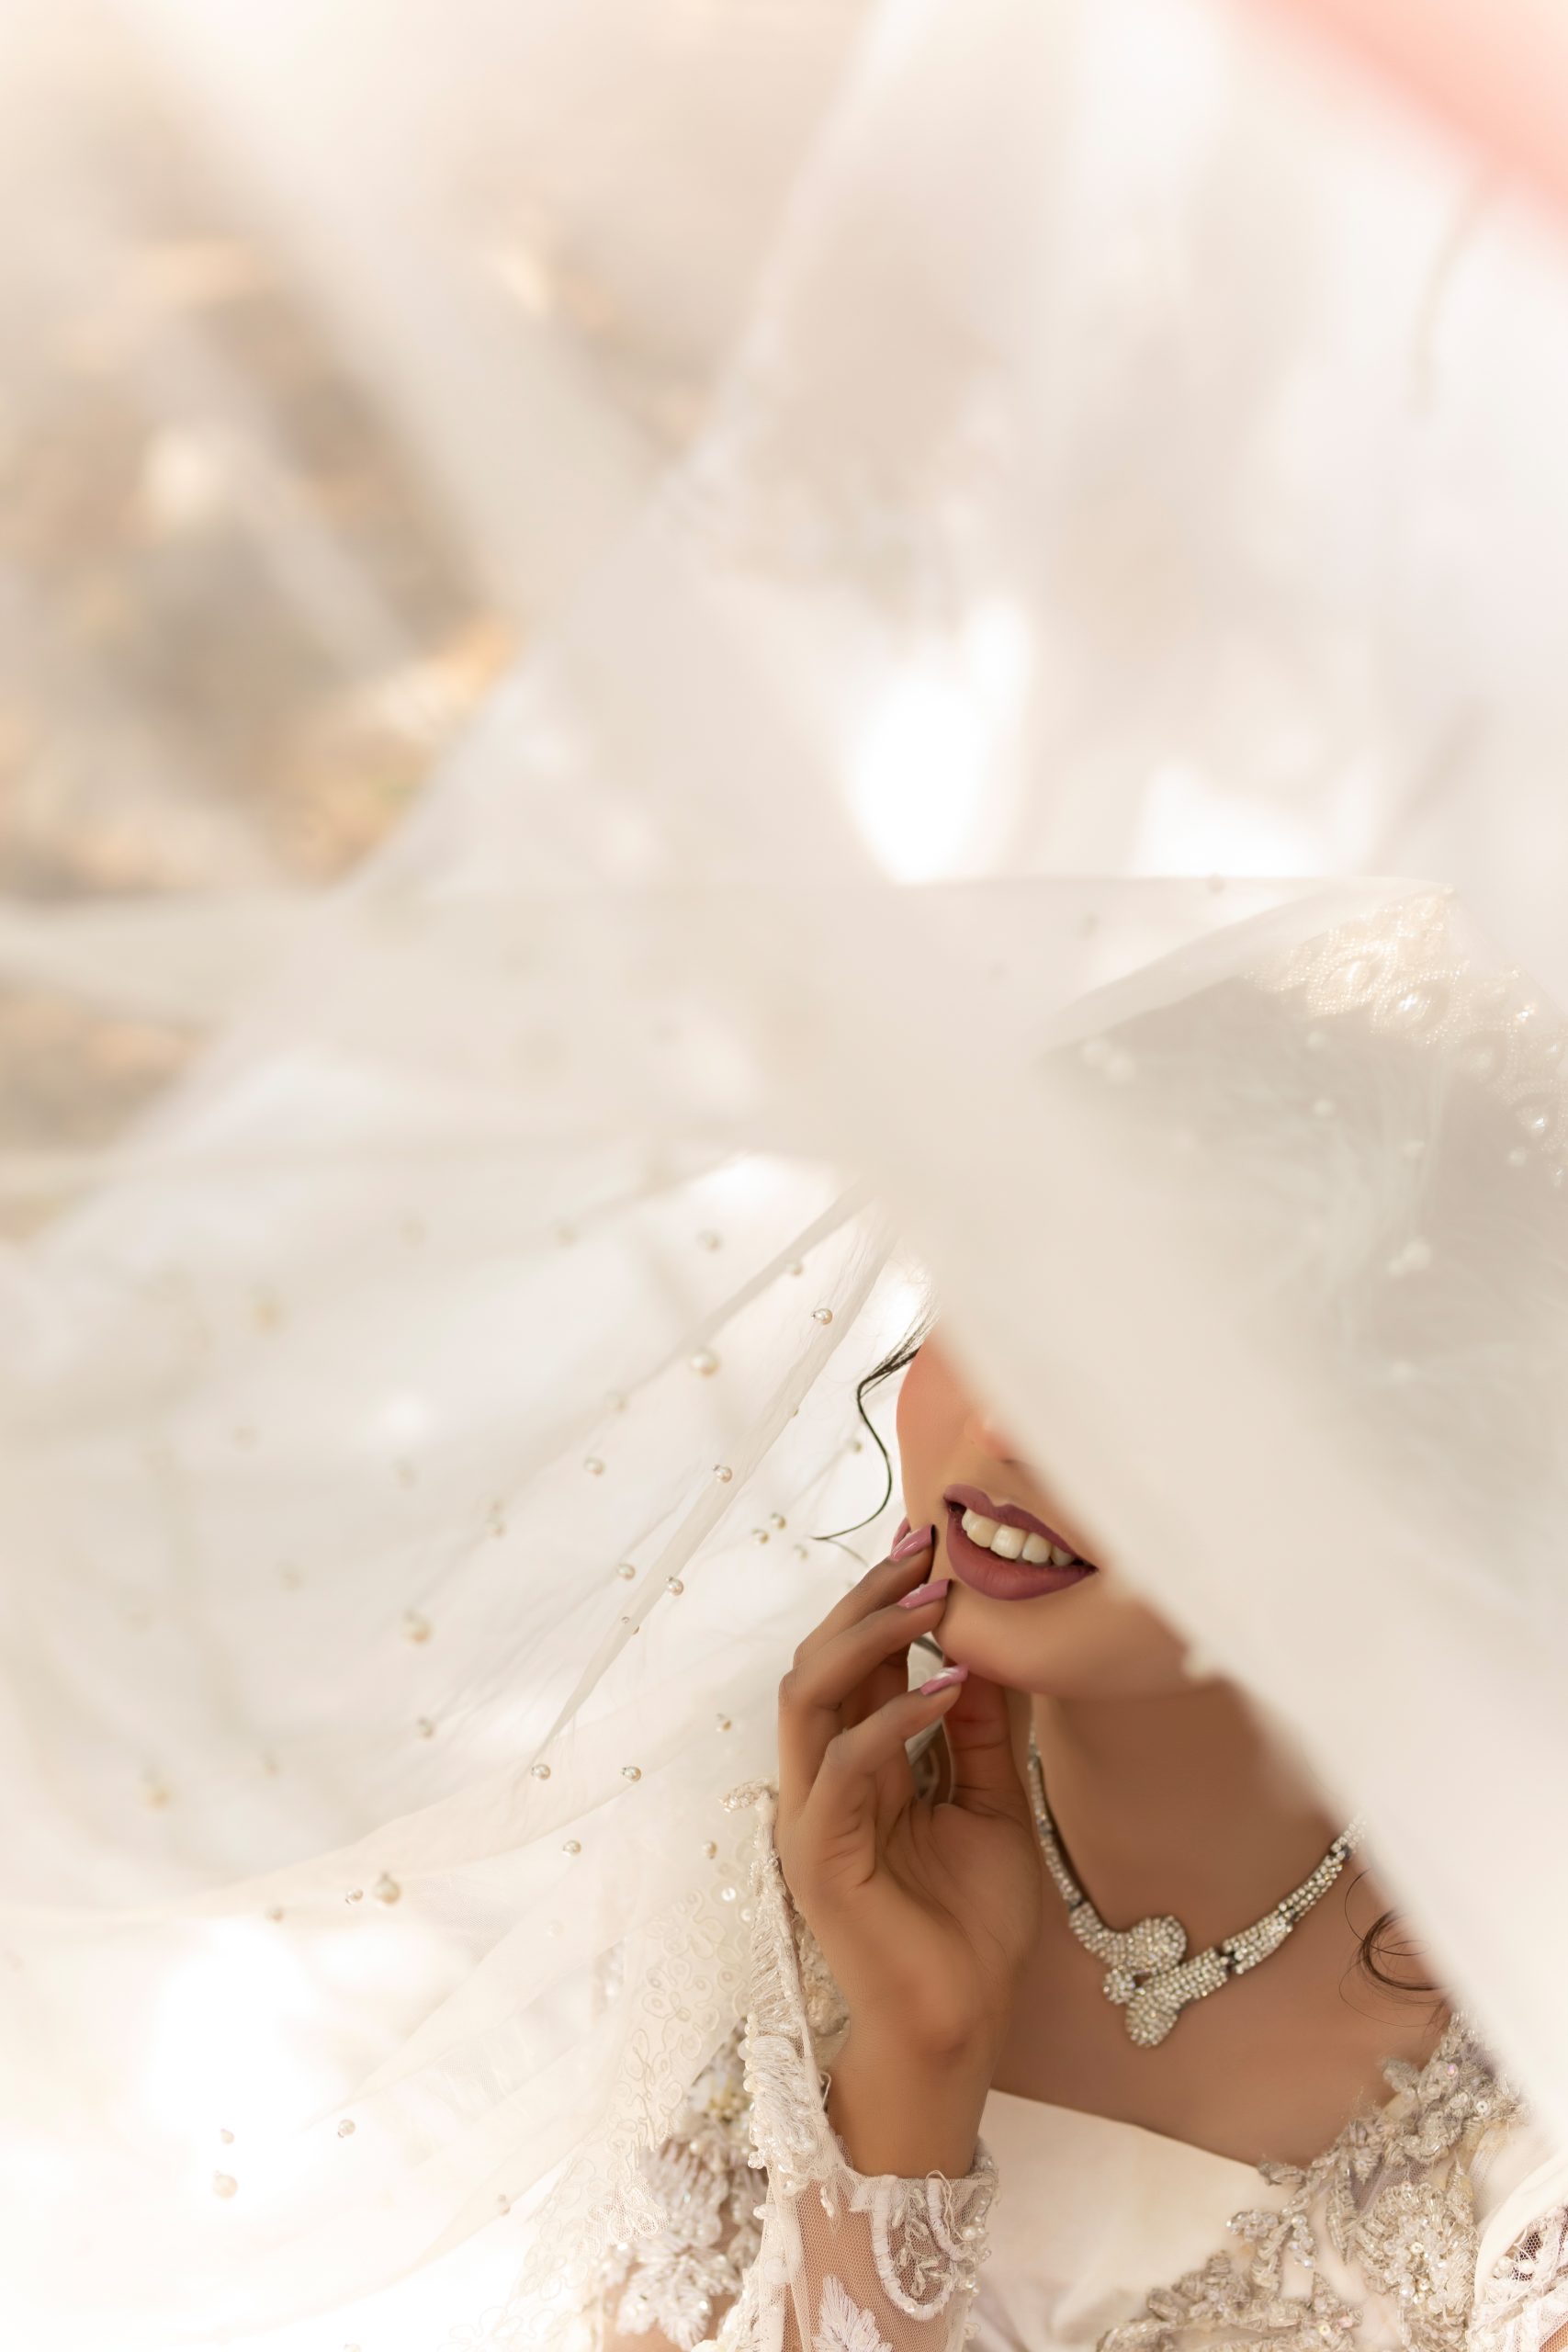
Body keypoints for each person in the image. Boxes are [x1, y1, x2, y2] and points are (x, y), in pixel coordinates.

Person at [593, 1318, 1568, 2352]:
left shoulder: (1532, 2054)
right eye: (991, 1298)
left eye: (1153, 1367)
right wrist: (915, 2055)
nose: (1003, 1424)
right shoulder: (780, 1862)